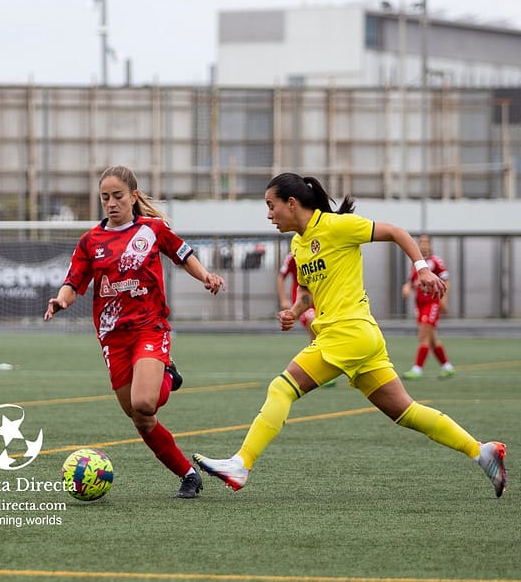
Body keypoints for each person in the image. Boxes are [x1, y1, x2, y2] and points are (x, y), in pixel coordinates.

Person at [192, 173, 507, 498]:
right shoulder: (298, 243)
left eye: (271, 206)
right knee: (406, 412)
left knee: (281, 388)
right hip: (360, 338)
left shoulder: (337, 226)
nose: (269, 214)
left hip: (347, 332)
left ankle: (241, 463)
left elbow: (396, 232)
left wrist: (422, 268)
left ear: (292, 202)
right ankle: (482, 452)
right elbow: (306, 291)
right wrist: (295, 313)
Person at [44, 165, 227, 499]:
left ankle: (168, 374)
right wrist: (62, 300)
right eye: (105, 198)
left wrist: (205, 276)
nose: (111, 203)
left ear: (133, 197)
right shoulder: (91, 241)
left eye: (117, 196)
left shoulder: (153, 229)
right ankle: (188, 474)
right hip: (112, 336)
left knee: (144, 402)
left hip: (149, 326)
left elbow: (183, 254)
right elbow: (74, 281)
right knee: (139, 417)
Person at [276, 251, 335, 388]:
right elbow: (281, 276)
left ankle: (325, 366)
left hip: (323, 303)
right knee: (313, 322)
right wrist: (284, 299)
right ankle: (318, 368)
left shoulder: (325, 251)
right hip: (303, 303)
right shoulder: (294, 254)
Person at [401, 234, 454, 380]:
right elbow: (411, 282)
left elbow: (446, 281)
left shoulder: (436, 262)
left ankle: (417, 369)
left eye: (426, 242)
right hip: (419, 303)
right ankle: (447, 367)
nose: (423, 245)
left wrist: (444, 300)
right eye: (421, 242)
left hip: (432, 303)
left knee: (423, 336)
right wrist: (406, 287)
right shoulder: (416, 264)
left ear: (431, 245)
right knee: (432, 338)